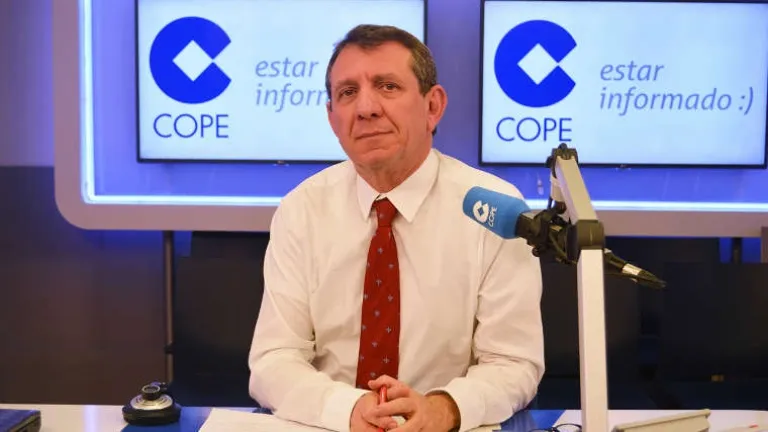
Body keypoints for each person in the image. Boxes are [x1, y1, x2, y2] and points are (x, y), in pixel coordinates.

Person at [248, 24, 544, 432]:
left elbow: (513, 363)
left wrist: (442, 410)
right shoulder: (302, 209)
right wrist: (350, 409)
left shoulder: (493, 210)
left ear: (433, 106)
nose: (366, 108)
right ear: (332, 118)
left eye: (387, 86)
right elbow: (273, 361)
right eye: (347, 92)